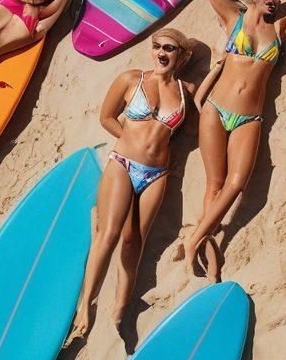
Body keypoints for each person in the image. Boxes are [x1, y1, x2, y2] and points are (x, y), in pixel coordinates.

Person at [187, 0, 286, 280]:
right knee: (214, 184)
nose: (274, 0)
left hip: (249, 117)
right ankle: (211, 261)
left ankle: (194, 239)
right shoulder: (232, 18)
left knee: (237, 183)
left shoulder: (281, 28)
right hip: (215, 109)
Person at [69, 28, 197, 341]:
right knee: (109, 234)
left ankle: (120, 308)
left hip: (156, 174)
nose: (161, 53)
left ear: (181, 56)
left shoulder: (186, 91)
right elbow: (106, 117)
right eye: (157, 47)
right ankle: (85, 305)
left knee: (133, 241)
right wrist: (128, 139)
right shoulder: (131, 79)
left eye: (169, 49)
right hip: (123, 164)